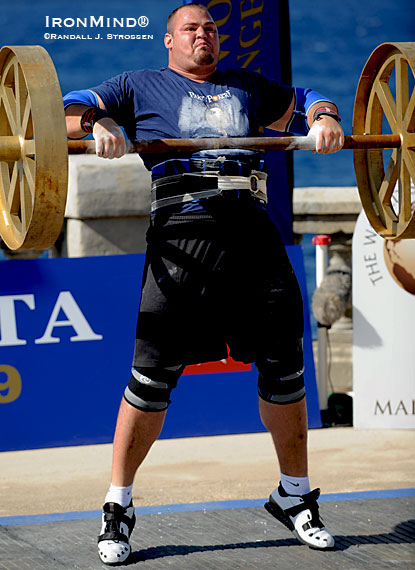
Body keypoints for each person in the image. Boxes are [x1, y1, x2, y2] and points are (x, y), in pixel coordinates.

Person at [65, 3, 344, 565]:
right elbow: (69, 112)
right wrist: (103, 126)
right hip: (181, 237)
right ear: (169, 41)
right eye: (191, 29)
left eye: (211, 29)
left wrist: (324, 118)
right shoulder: (138, 86)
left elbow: (307, 97)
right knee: (150, 376)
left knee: (284, 367)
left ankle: (294, 495)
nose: (203, 36)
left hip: (252, 238)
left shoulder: (245, 86)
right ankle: (118, 506)